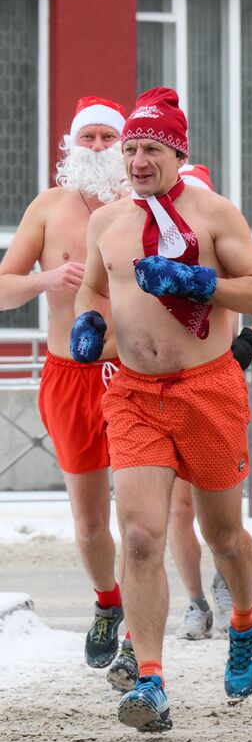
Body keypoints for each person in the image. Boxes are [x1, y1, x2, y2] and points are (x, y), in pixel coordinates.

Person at [73, 87, 252, 732]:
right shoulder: (108, 221)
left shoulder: (214, 214)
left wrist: (200, 281)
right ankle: (151, 682)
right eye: (129, 148)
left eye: (149, 148)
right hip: (133, 393)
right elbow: (92, 285)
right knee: (139, 538)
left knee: (220, 535)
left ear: (176, 153)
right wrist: (86, 323)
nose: (136, 159)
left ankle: (244, 620)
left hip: (206, 387)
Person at [0, 97, 128, 680]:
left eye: (109, 137)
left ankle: (146, 631)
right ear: (72, 146)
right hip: (67, 378)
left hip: (133, 373)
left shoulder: (142, 205)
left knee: (145, 513)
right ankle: (108, 601)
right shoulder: (50, 208)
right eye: (90, 138)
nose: (99, 147)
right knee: (89, 520)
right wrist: (47, 278)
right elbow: (2, 289)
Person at [169, 163, 252, 642]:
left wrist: (249, 342)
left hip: (216, 383)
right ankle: (194, 602)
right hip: (160, 389)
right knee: (176, 510)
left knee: (218, 516)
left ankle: (225, 584)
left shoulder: (220, 236)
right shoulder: (153, 246)